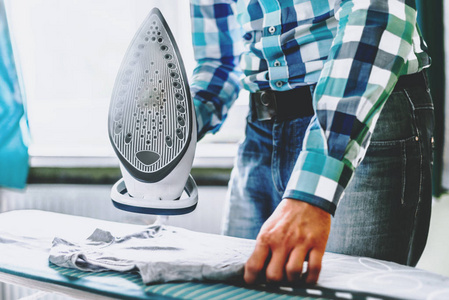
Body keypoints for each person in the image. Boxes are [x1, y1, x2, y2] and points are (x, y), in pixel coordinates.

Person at [189, 0, 434, 285]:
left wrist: (313, 189)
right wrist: (173, 136)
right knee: (238, 290)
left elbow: (378, 10)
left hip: (361, 115)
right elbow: (218, 62)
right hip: (261, 129)